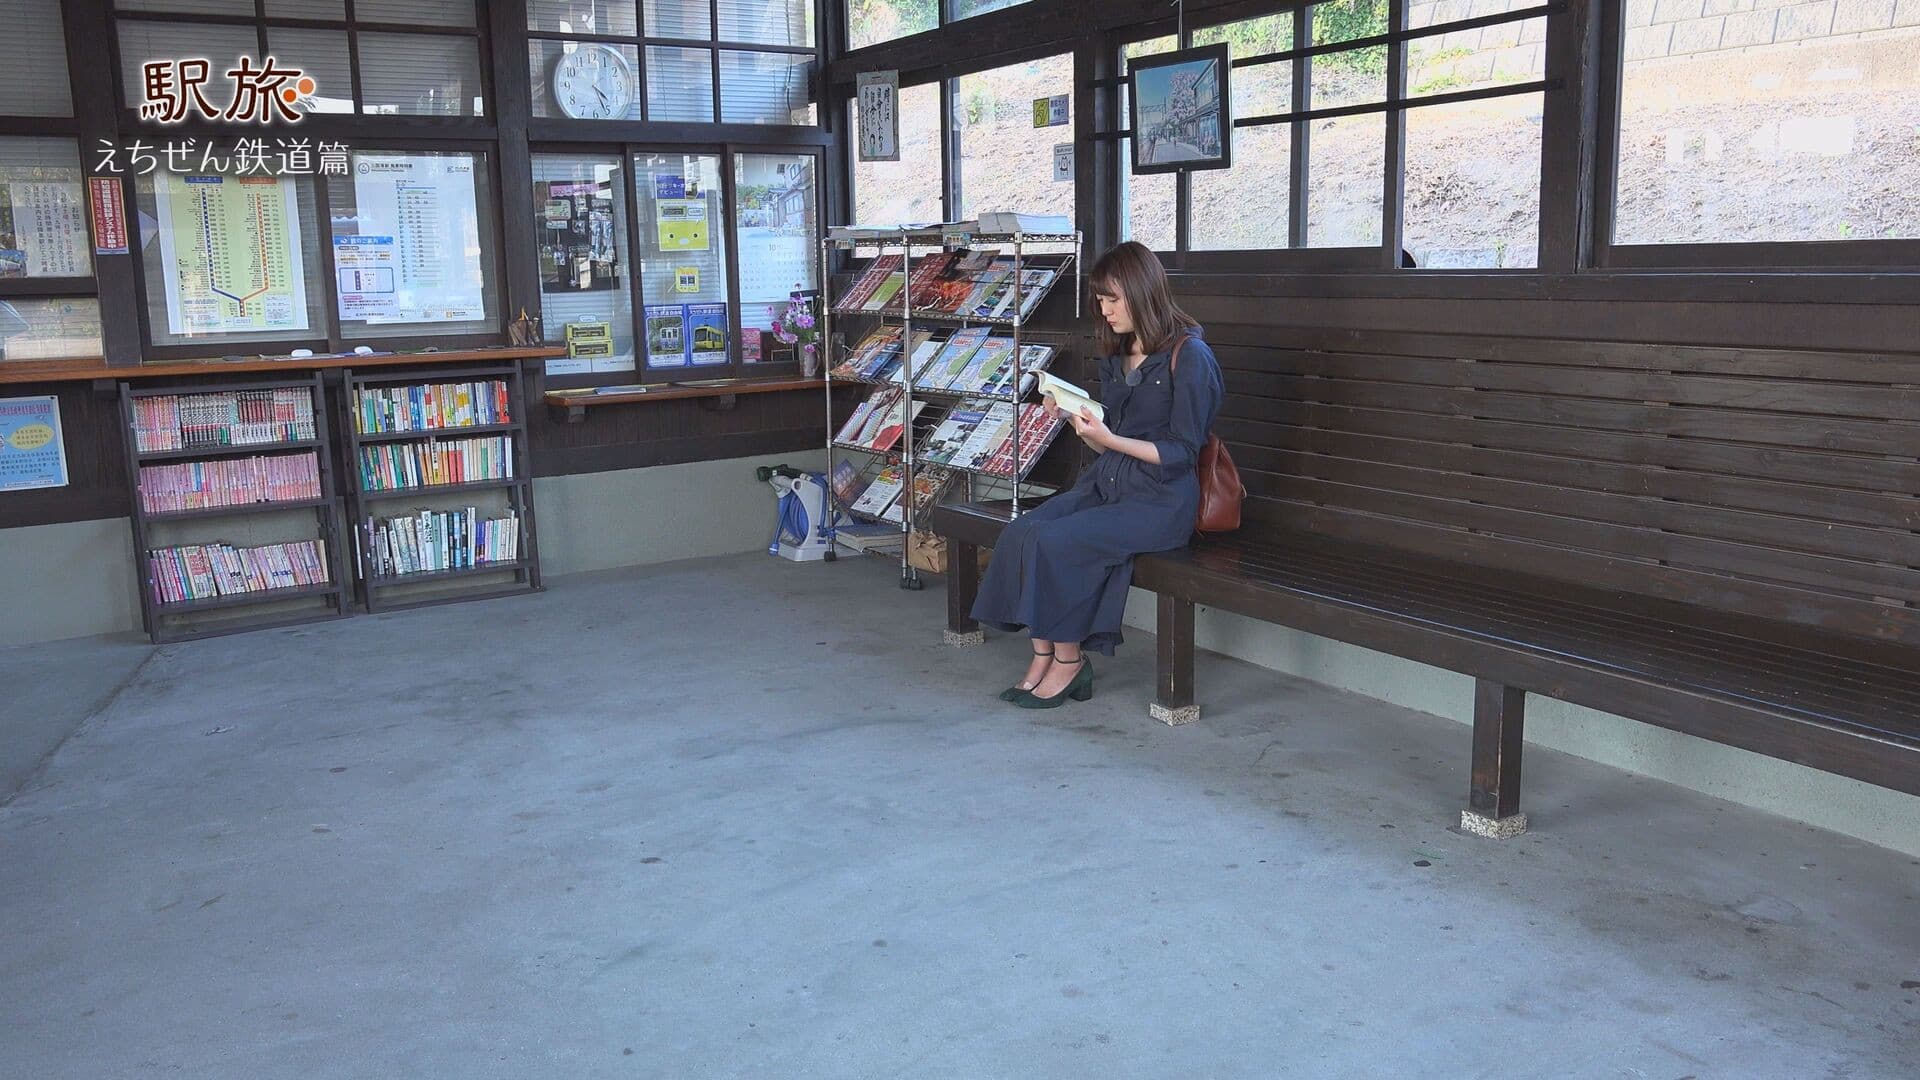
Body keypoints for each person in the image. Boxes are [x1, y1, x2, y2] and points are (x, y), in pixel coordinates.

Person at [969, 241, 1225, 708]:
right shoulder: (1121, 349)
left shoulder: (1190, 357)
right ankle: (1043, 652)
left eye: (1112, 300)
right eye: (1100, 301)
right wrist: (1075, 421)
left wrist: (1109, 441)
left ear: (1142, 292)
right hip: (1107, 484)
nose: (1104, 311)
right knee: (1022, 532)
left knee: (1056, 541)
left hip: (1159, 502)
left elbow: (1182, 453)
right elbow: (1104, 438)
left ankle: (1071, 662)